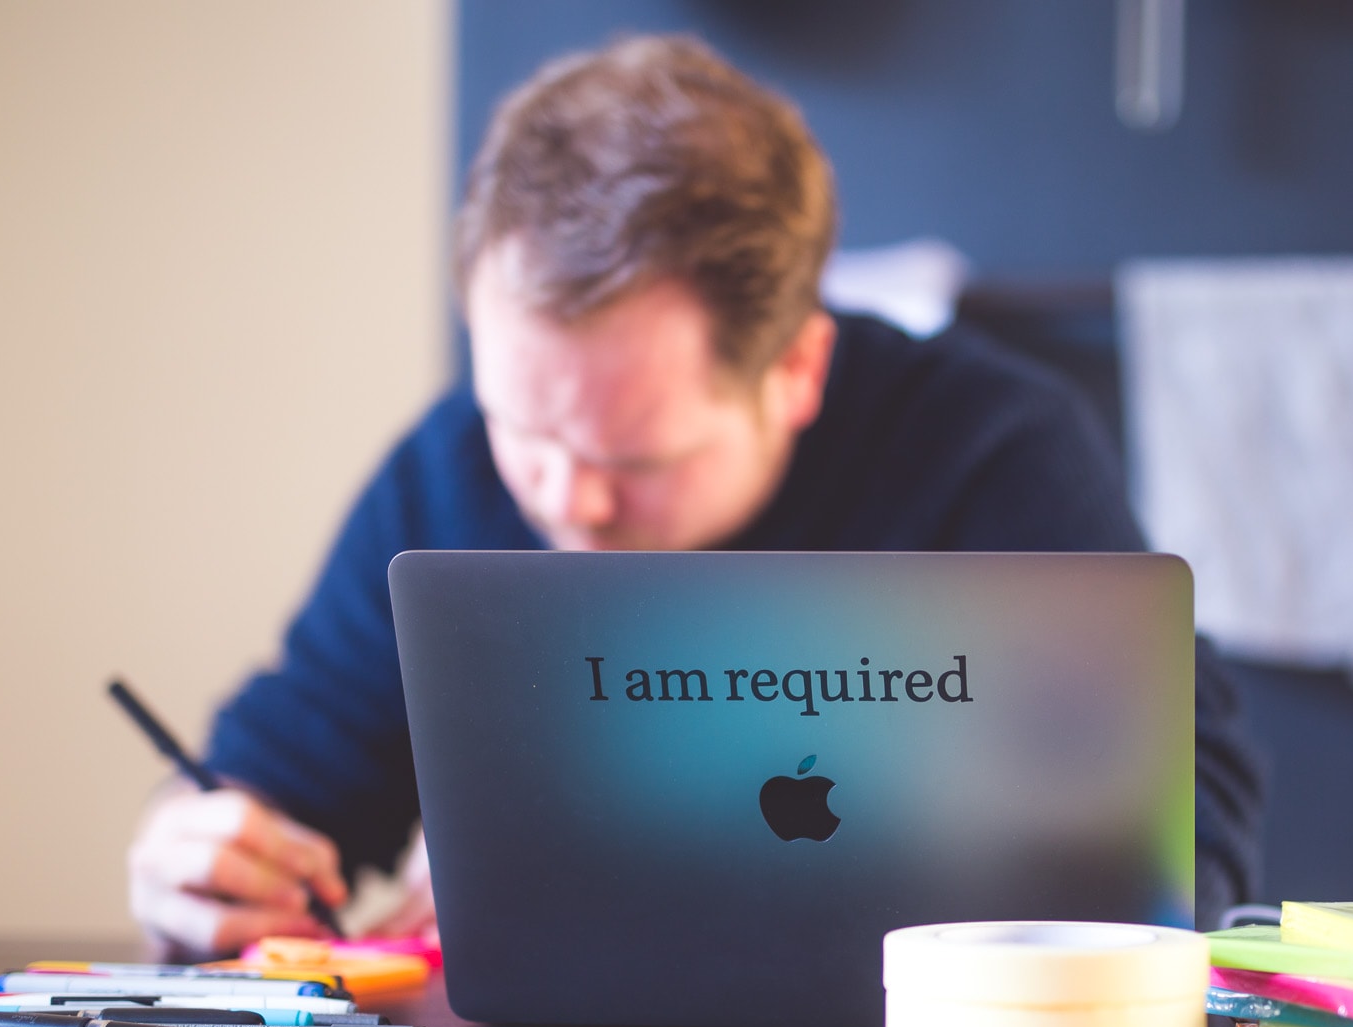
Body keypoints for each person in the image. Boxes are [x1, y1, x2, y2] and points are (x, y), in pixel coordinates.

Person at [126, 34, 1262, 958]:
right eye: (525, 427)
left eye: (634, 460)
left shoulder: (990, 452)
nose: (565, 499)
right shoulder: (451, 464)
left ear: (797, 372)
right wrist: (201, 860)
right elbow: (283, 785)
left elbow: (1186, 828)